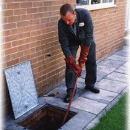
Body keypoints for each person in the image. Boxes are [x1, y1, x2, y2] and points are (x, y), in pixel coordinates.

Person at [58, 3, 100, 103]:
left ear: (74, 14)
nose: (67, 23)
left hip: (86, 39)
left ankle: (90, 84)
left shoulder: (85, 14)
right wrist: (72, 62)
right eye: (65, 20)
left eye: (69, 20)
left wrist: (83, 56)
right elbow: (64, 43)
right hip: (71, 41)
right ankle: (71, 90)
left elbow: (90, 35)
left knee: (91, 60)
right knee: (70, 64)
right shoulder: (61, 23)